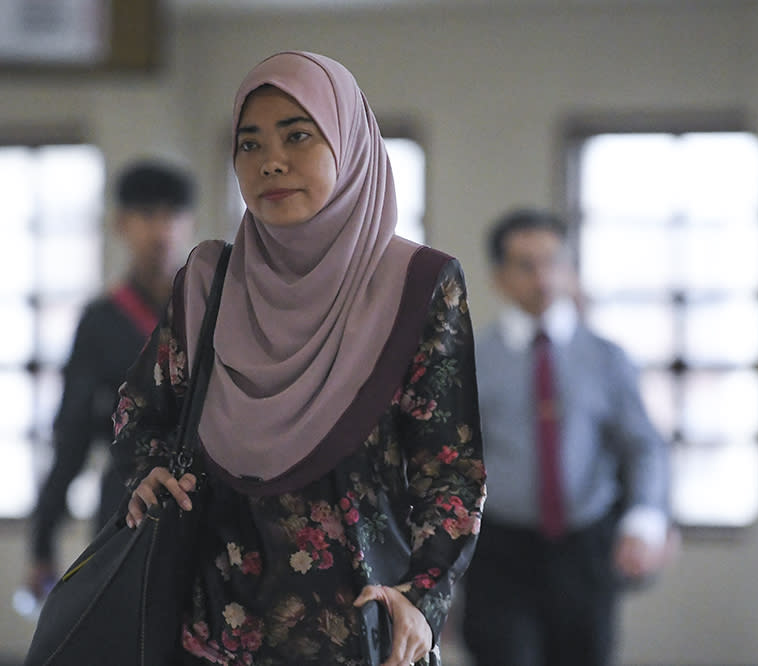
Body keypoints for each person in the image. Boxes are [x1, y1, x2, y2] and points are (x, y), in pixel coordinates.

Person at [112, 51, 485, 666]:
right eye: (249, 144)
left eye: (298, 136)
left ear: (349, 144)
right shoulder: (208, 280)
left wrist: (425, 596)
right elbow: (142, 409)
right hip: (213, 635)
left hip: (364, 634)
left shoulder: (419, 285)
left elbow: (452, 467)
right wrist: (148, 471)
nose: (271, 162)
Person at [461, 208, 673, 666]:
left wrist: (645, 520)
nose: (543, 277)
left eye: (553, 261)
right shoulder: (472, 360)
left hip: (585, 547)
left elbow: (644, 447)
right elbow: (449, 460)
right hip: (500, 551)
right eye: (526, 264)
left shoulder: (606, 357)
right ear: (499, 277)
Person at [25, 160, 195, 601]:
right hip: (124, 511)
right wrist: (42, 544)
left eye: (172, 215)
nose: (162, 230)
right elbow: (72, 437)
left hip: (203, 510)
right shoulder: (100, 323)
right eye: (147, 215)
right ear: (121, 223)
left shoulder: (207, 315)